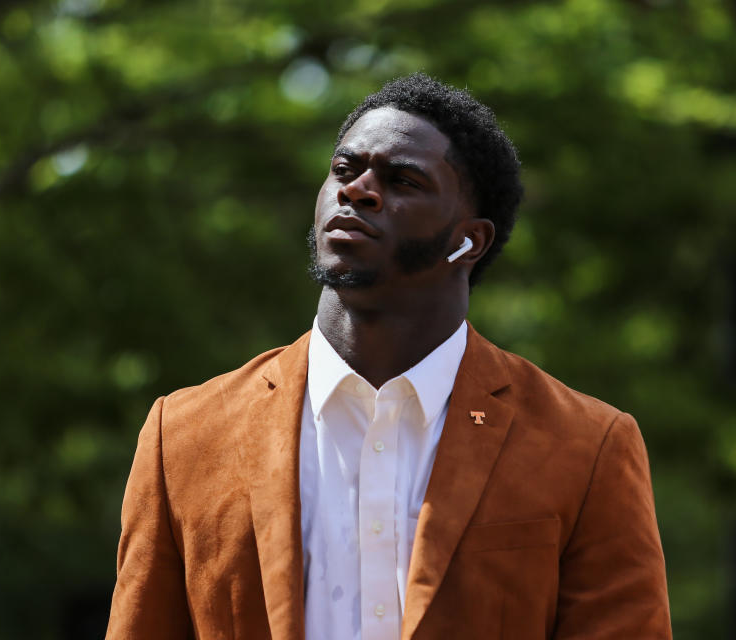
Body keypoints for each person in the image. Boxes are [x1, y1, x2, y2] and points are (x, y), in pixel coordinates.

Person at [105, 73, 671, 640]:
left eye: (403, 180)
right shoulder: (183, 435)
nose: (358, 191)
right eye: (345, 171)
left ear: (468, 240)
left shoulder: (587, 445)